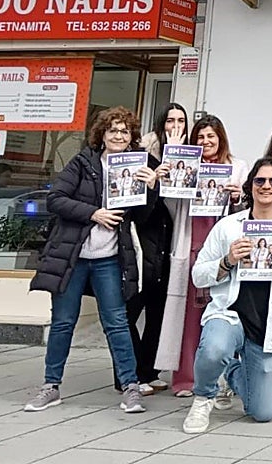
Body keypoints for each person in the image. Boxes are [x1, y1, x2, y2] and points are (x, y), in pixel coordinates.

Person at [26, 106, 160, 414]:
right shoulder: (83, 162)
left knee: (117, 322)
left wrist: (152, 188)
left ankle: (130, 387)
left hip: (110, 258)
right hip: (72, 256)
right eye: (112, 130)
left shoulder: (135, 166)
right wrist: (93, 213)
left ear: (132, 138)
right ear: (102, 134)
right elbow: (55, 199)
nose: (118, 135)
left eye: (124, 131)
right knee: (62, 323)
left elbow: (142, 216)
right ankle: (50, 386)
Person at [180, 159, 272, 433]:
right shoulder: (228, 226)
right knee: (214, 349)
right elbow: (198, 275)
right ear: (250, 186)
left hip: (268, 324)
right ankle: (203, 397)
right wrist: (227, 260)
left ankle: (230, 372)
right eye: (259, 181)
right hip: (229, 312)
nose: (266, 186)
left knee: (263, 412)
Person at [158, 115, 247, 400]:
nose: (206, 142)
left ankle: (223, 377)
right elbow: (171, 206)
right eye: (201, 137)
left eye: (211, 136)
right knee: (189, 316)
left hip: (224, 249)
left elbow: (248, 210)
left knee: (223, 314)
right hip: (191, 244)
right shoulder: (189, 167)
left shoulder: (238, 167)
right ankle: (186, 378)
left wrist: (237, 197)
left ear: (221, 138)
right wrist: (170, 176)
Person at [117, 102, 185, 395]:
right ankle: (127, 374)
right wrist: (155, 181)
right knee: (128, 312)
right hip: (140, 245)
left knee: (158, 314)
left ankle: (149, 370)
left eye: (181, 120)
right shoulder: (140, 157)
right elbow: (136, 208)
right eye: (170, 120)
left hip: (168, 245)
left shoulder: (187, 156)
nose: (175, 126)